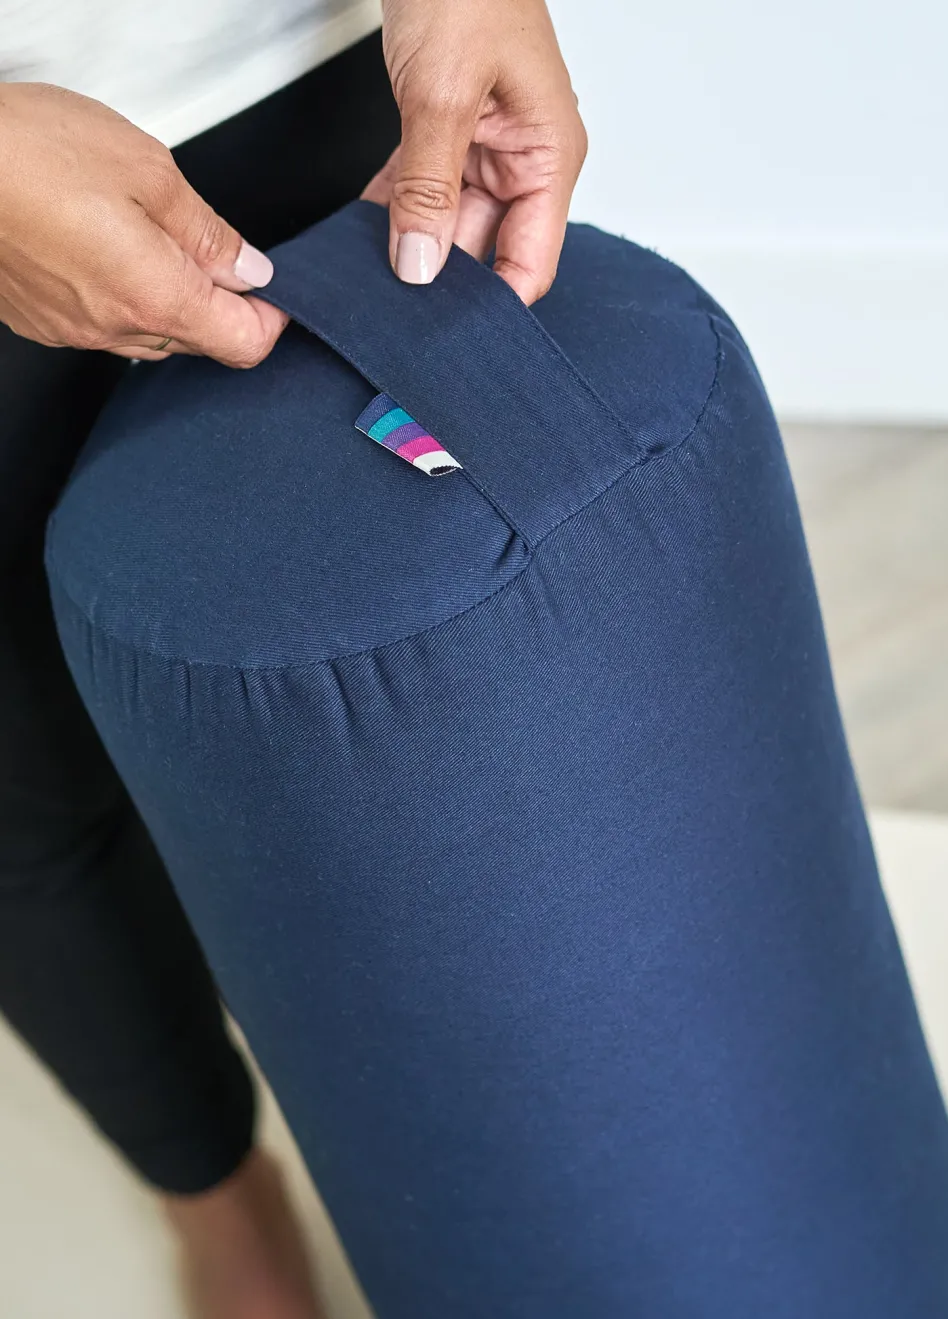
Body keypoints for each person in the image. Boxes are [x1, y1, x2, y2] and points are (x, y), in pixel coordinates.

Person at [0, 4, 586, 1316]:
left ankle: (520, 1134)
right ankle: (215, 1186)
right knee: (23, 795)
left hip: (312, 62)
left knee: (443, 690)